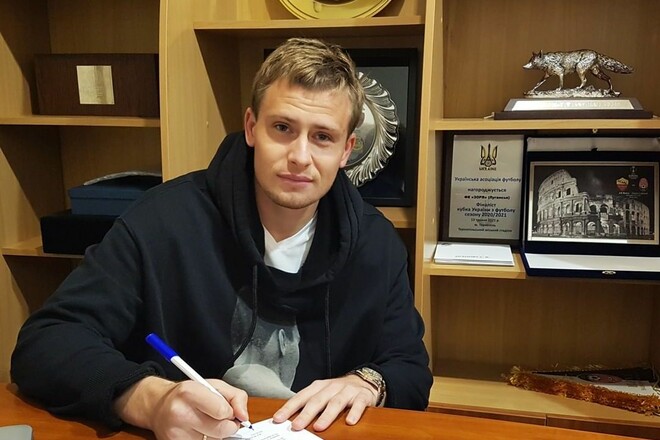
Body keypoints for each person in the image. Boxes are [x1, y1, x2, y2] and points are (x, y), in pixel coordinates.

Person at [11, 37, 432, 439]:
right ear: (251, 128)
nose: (300, 157)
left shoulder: (375, 243)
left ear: (346, 150)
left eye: (323, 137)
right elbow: (47, 342)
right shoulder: (162, 221)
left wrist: (369, 381)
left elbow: (410, 367)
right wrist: (151, 400)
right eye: (282, 127)